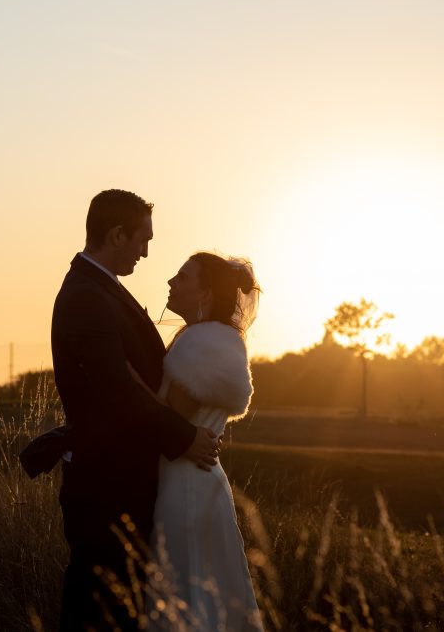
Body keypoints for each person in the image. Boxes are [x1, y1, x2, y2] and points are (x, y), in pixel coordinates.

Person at [45, 189, 223, 632]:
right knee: (100, 610)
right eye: (142, 240)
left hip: (121, 478)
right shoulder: (87, 295)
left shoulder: (102, 289)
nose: (146, 252)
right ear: (117, 234)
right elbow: (117, 389)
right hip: (107, 482)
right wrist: (184, 437)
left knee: (117, 611)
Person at [142, 252, 263, 631]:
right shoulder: (217, 340)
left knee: (183, 592)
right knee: (207, 596)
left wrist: (128, 378)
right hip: (202, 479)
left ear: (206, 294)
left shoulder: (201, 343)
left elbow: (171, 418)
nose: (171, 282)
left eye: (182, 278)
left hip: (185, 482)